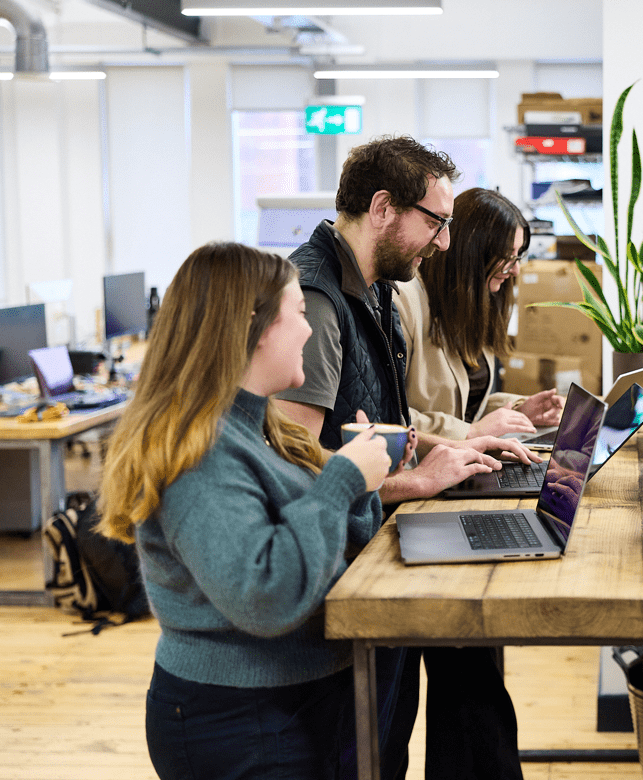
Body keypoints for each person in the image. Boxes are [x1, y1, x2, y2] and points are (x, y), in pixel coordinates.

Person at [97, 242, 412, 779]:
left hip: (289, 699)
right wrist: (341, 480)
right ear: (254, 326)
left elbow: (327, 542)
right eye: (298, 316)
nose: (310, 331)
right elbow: (265, 595)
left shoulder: (260, 425)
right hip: (237, 717)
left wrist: (361, 480)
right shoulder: (197, 452)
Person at [274, 136, 530, 780]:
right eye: (436, 222)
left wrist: (441, 451)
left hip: (373, 549)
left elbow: (369, 429)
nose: (445, 242)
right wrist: (414, 481)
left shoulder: (377, 289)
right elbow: (292, 471)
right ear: (384, 208)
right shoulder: (318, 300)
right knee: (368, 753)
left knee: (401, 733)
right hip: (334, 574)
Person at [395, 186, 564, 439]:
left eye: (518, 257)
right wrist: (471, 432)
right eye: (508, 257)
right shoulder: (403, 302)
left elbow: (464, 406)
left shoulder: (471, 305)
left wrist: (520, 411)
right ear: (471, 254)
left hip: (464, 463)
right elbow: (388, 417)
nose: (515, 270)